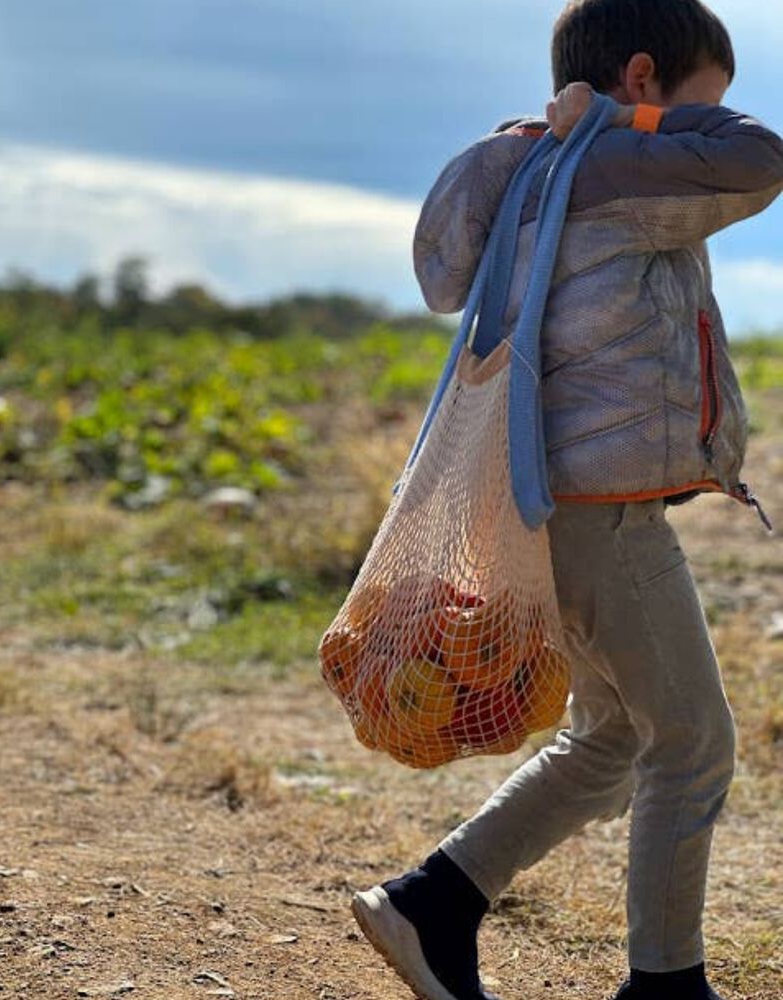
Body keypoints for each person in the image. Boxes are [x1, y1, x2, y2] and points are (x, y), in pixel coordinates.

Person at [349, 2, 783, 999]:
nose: (704, 124)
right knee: (692, 739)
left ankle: (432, 901)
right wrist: (644, 126)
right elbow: (759, 158)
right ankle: (663, 985)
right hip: (605, 510)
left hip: (551, 498)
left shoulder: (532, 164)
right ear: (640, 80)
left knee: (613, 735)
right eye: (696, 102)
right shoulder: (617, 163)